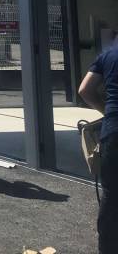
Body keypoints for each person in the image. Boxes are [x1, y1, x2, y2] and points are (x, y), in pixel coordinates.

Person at [78, 45, 118, 254]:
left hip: (114, 132)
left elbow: (84, 90)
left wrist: (108, 111)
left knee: (112, 195)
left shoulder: (109, 54)